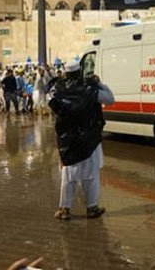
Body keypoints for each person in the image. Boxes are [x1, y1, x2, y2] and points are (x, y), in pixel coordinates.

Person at [52, 60, 114, 220]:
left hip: (68, 140)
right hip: (89, 139)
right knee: (91, 175)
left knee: (68, 176)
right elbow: (110, 99)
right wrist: (99, 83)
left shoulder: (58, 90)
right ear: (80, 71)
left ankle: (65, 210)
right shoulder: (90, 88)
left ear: (65, 73)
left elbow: (52, 107)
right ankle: (92, 208)